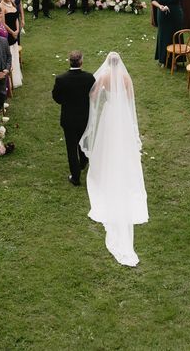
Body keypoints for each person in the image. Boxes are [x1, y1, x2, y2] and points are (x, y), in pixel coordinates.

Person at [79, 52, 148, 267]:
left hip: (110, 112)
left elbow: (93, 95)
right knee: (122, 141)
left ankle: (106, 162)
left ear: (108, 64)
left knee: (107, 140)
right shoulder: (126, 78)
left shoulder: (105, 76)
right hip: (122, 113)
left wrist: (103, 98)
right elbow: (130, 98)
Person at [52, 50, 96, 187]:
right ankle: (83, 162)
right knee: (83, 139)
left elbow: (56, 97)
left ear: (69, 61)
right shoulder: (89, 78)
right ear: (81, 61)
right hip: (84, 117)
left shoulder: (61, 79)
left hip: (68, 118)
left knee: (71, 148)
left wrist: (66, 102)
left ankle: (75, 177)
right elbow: (93, 95)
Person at [151, 0, 183, 66]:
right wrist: (160, 6)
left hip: (175, 15)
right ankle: (163, 59)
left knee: (174, 36)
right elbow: (153, 0)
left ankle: (175, 60)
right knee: (163, 36)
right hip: (162, 15)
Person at [0, 0, 22, 89]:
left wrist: (17, 30)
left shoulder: (12, 3)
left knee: (15, 54)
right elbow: (3, 23)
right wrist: (12, 32)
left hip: (15, 33)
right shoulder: (1, 6)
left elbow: (16, 17)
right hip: (8, 35)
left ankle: (17, 77)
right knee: (10, 56)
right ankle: (11, 81)